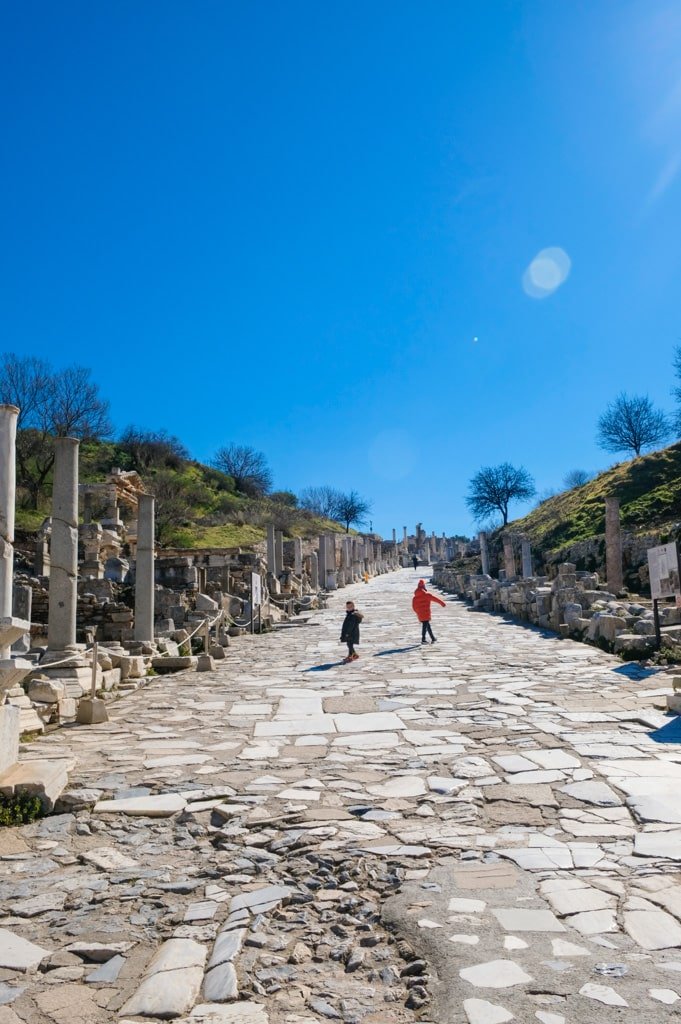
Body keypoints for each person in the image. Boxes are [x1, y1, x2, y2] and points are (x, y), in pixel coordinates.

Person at [412, 579, 445, 644]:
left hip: (420, 614)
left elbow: (414, 607)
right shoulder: (427, 595)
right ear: (423, 586)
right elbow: (436, 599)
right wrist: (442, 603)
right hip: (426, 613)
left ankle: (433, 638)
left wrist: (417, 612)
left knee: (427, 625)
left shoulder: (415, 597)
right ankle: (423, 639)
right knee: (425, 625)